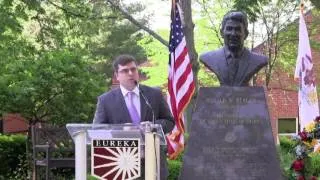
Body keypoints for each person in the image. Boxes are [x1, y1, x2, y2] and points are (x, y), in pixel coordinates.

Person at [93, 54, 175, 180]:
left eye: (133, 69)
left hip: (154, 162)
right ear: (117, 76)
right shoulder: (106, 100)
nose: (130, 73)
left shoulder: (154, 94)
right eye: (125, 71)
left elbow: (169, 121)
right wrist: (121, 131)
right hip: (122, 164)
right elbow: (98, 131)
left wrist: (152, 127)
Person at [200, 10, 268, 86]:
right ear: (222, 32)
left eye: (238, 29)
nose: (233, 34)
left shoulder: (258, 60)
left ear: (245, 34)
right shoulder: (209, 58)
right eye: (229, 29)